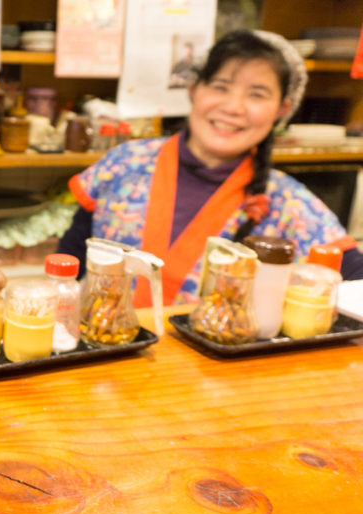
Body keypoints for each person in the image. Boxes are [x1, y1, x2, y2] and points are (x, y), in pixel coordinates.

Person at [58, 29, 363, 306]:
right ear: (193, 89)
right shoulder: (125, 162)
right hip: (99, 345)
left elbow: (356, 285)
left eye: (257, 94)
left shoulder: (289, 204)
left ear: (282, 109)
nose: (233, 107)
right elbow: (68, 261)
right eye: (220, 87)